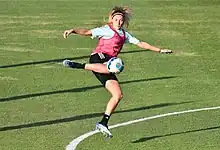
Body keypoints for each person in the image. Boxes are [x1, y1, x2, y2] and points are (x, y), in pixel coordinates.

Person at [62, 6, 172, 138]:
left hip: (107, 64)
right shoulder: (106, 30)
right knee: (112, 66)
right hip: (98, 57)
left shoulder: (125, 34)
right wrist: (73, 30)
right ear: (112, 20)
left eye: (121, 20)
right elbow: (87, 32)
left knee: (118, 95)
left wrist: (159, 50)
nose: (119, 22)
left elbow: (141, 43)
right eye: (116, 19)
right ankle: (77, 65)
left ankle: (103, 122)